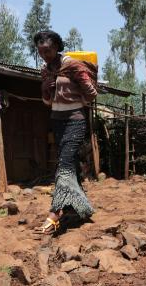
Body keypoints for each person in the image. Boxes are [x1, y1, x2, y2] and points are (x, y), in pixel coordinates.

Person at [34, 30, 97, 235]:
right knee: (70, 165)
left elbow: (91, 92)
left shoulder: (71, 65)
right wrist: (46, 87)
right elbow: (47, 102)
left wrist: (76, 104)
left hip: (75, 121)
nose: (45, 55)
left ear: (57, 47)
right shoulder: (45, 70)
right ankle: (79, 209)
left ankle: (55, 213)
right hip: (57, 121)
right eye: (41, 52)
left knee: (64, 165)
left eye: (48, 50)